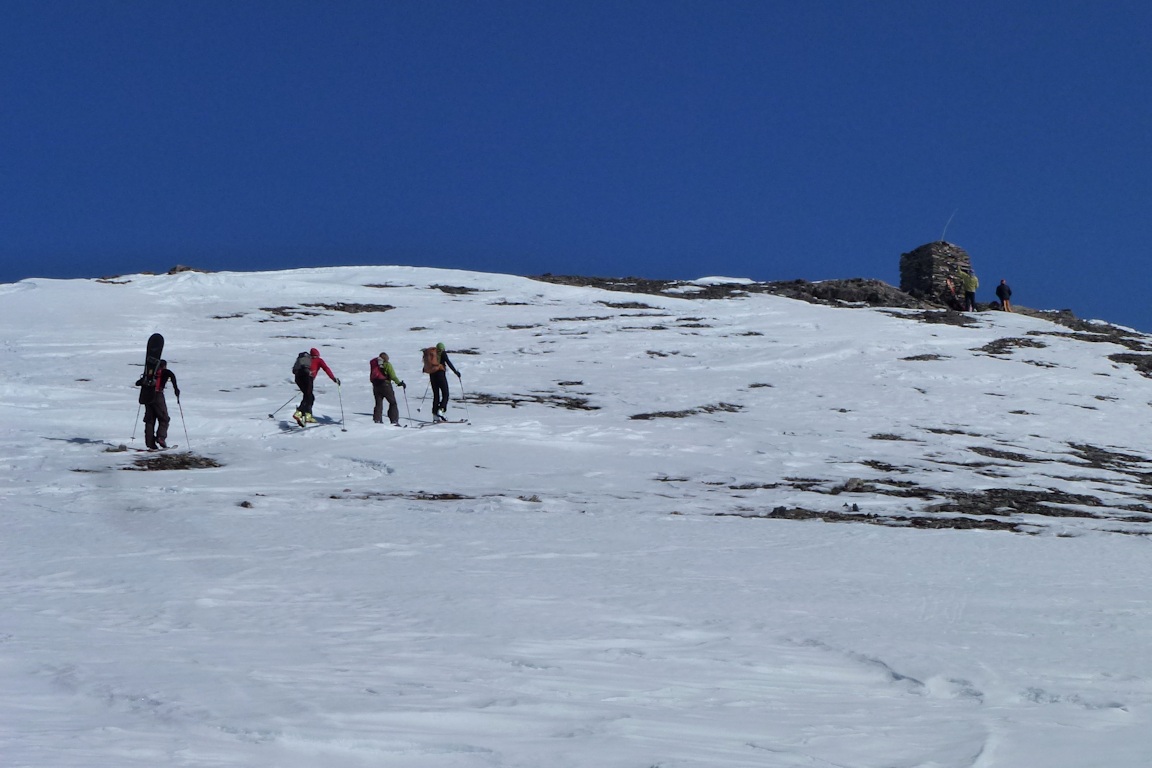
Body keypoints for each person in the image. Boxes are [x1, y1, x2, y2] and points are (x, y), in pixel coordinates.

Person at [135, 359, 180, 449]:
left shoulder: (150, 374)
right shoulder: (166, 372)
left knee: (149, 420)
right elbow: (173, 378)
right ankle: (161, 438)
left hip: (147, 396)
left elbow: (137, 383)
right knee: (164, 418)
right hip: (158, 396)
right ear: (164, 366)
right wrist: (176, 390)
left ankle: (150, 443)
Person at [293, 347, 339, 427]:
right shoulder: (318, 360)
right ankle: (300, 413)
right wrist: (334, 379)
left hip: (298, 378)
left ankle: (307, 414)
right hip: (308, 379)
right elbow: (326, 369)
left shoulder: (306, 360)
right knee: (308, 396)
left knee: (309, 396)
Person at [422, 342, 460, 422]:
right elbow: (448, 363)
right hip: (440, 375)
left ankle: (435, 416)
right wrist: (455, 372)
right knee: (445, 393)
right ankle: (441, 410)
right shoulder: (442, 353)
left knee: (436, 395)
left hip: (432, 375)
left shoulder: (431, 354)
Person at [369, 352, 406, 425]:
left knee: (378, 403)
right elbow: (393, 376)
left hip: (376, 385)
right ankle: (394, 421)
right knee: (393, 403)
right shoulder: (387, 365)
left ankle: (377, 420)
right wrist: (399, 383)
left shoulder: (375, 365)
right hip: (385, 385)